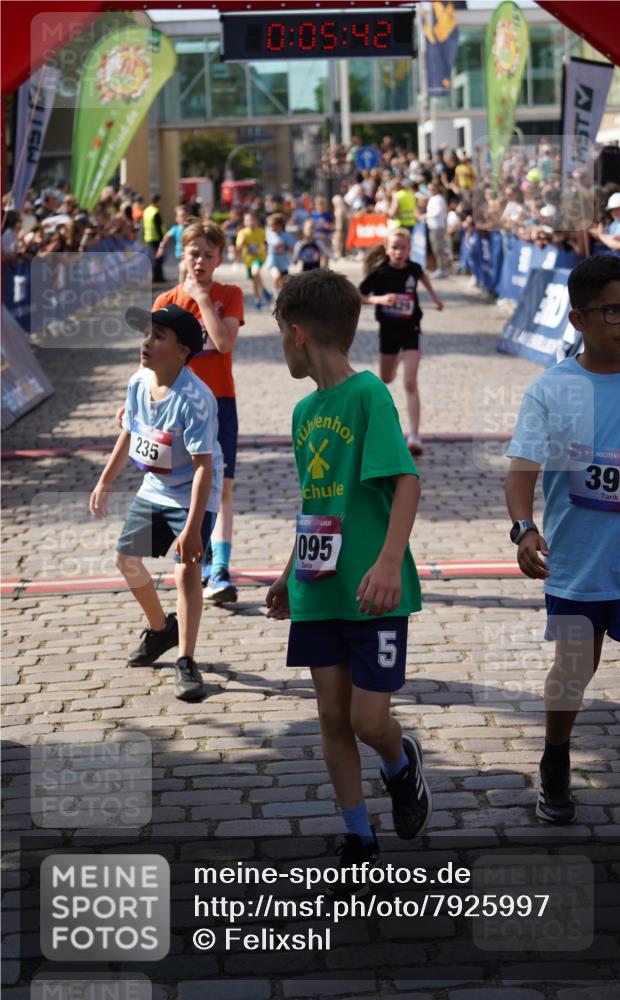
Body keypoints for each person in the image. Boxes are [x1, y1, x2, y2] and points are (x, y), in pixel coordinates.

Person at [505, 255, 620, 888]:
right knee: (573, 669)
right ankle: (554, 759)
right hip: (575, 565)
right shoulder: (551, 390)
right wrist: (523, 529)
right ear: (578, 317)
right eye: (615, 311)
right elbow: (521, 473)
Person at [265, 270, 431, 886]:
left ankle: (398, 756)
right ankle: (357, 834)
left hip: (374, 594)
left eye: (281, 333)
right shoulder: (304, 411)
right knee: (332, 718)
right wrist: (288, 572)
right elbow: (317, 501)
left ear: (299, 333)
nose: (283, 344)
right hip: (317, 589)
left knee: (367, 721)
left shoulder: (369, 396)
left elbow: (406, 482)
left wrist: (388, 562)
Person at [89, 304, 223, 701]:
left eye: (158, 337)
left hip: (193, 495)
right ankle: (161, 628)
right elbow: (130, 434)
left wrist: (192, 527)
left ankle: (186, 659)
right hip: (155, 490)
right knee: (126, 560)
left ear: (183, 351)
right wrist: (105, 481)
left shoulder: (196, 399)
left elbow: (204, 468)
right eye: (146, 334)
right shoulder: (137, 382)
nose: (146, 343)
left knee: (187, 571)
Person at [152, 221, 245, 606]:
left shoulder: (230, 294)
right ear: (182, 255)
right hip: (177, 405)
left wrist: (204, 300)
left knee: (221, 486)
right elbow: (151, 359)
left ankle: (220, 568)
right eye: (194, 253)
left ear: (220, 258)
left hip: (219, 400)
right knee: (184, 486)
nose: (201, 261)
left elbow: (222, 342)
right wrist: (138, 397)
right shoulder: (165, 302)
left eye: (209, 254)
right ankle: (199, 561)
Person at [359, 228, 444, 457]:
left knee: (410, 382)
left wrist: (435, 299)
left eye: (403, 248)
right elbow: (359, 296)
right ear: (387, 249)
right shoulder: (379, 273)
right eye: (394, 247)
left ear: (409, 249)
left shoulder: (413, 269)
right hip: (388, 331)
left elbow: (423, 277)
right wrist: (380, 299)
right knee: (386, 378)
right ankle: (395, 359)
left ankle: (415, 436)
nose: (399, 252)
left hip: (411, 330)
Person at [235, 210, 271, 310]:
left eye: (251, 220)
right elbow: (238, 247)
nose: (249, 222)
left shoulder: (261, 232)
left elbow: (265, 244)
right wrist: (242, 243)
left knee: (255, 273)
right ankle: (258, 297)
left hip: (259, 258)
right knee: (253, 281)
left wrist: (263, 250)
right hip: (248, 260)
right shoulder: (243, 233)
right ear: (244, 222)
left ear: (256, 221)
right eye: (247, 220)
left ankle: (262, 293)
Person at [156, 205, 190, 283]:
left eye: (185, 215)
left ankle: (185, 287)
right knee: (183, 269)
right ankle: (181, 288)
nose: (183, 218)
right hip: (180, 254)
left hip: (189, 253)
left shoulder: (190, 229)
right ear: (177, 218)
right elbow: (166, 237)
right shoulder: (175, 229)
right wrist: (161, 247)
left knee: (187, 271)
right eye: (181, 216)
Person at [265, 212, 295, 296]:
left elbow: (291, 249)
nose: (271, 227)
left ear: (279, 225)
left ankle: (281, 295)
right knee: (276, 276)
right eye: (270, 225)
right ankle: (276, 295)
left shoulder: (286, 236)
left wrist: (285, 247)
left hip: (283, 262)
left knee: (284, 283)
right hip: (273, 261)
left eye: (273, 225)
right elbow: (273, 242)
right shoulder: (269, 233)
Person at [142, 193, 164, 284]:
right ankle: (158, 277)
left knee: (151, 259)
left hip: (148, 238)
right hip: (156, 238)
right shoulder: (155, 212)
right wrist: (162, 239)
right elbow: (158, 227)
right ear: (157, 201)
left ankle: (154, 277)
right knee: (158, 259)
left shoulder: (146, 211)